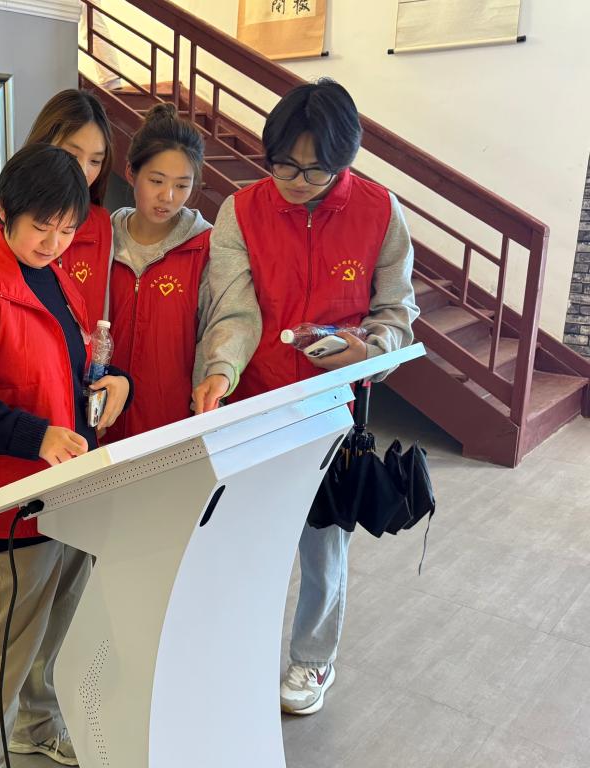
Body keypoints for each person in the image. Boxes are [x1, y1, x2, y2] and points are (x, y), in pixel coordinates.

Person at [211, 78, 419, 715]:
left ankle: (312, 660)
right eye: (283, 165)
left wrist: (370, 350)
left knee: (323, 544)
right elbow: (234, 311)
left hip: (331, 412)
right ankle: (238, 652)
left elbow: (397, 313)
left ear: (344, 160)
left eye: (315, 170)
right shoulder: (242, 210)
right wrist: (219, 371)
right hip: (254, 404)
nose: (296, 182)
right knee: (247, 540)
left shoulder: (380, 212)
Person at [0, 144, 131, 768]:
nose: (54, 241)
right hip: (6, 507)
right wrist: (35, 436)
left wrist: (113, 381)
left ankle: (37, 724)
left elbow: (66, 369)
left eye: (67, 229)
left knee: (54, 628)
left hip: (63, 492)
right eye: (42, 226)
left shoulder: (55, 278)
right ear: (5, 212)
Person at [104, 102, 257, 441]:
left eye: (182, 185)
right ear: (130, 173)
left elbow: (231, 316)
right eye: (156, 181)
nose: (168, 197)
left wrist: (220, 371)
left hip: (171, 426)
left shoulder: (206, 248)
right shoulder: (102, 240)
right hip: (98, 421)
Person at [0, 89, 114, 323]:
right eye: (71, 155)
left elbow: (101, 319)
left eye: (95, 161)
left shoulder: (101, 223)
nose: (82, 171)